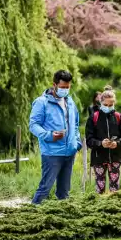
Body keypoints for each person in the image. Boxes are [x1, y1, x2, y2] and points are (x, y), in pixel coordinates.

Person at [30, 70, 82, 204]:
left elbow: (75, 124)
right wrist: (49, 135)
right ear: (54, 84)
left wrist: (77, 143)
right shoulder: (41, 102)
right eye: (62, 87)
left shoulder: (70, 102)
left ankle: (62, 219)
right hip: (51, 153)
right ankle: (32, 215)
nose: (65, 90)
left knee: (64, 191)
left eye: (68, 87)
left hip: (69, 152)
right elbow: (34, 125)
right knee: (45, 188)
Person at [85, 87, 121, 194]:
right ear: (100, 103)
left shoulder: (119, 117)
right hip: (99, 158)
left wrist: (117, 143)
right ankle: (99, 209)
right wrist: (101, 143)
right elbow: (89, 140)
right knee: (99, 189)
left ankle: (113, 209)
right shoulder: (93, 118)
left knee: (115, 190)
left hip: (115, 158)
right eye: (105, 105)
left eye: (111, 105)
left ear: (114, 103)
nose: (108, 107)